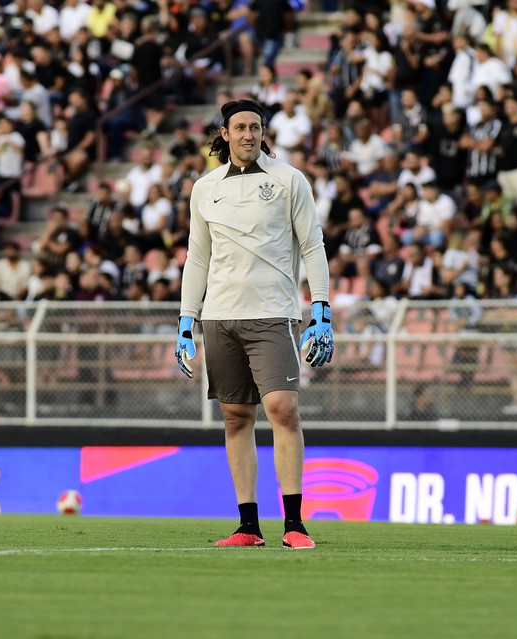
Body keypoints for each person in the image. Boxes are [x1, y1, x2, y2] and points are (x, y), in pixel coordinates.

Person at [175, 99, 332, 549]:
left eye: (255, 127)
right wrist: (187, 319)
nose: (248, 134)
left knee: (283, 408)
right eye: (239, 127)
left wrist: (320, 307)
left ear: (263, 133)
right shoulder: (205, 188)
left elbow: (313, 245)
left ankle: (295, 525)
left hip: (273, 311)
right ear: (224, 134)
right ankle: (248, 526)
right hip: (219, 315)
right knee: (235, 417)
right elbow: (197, 256)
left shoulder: (288, 179)